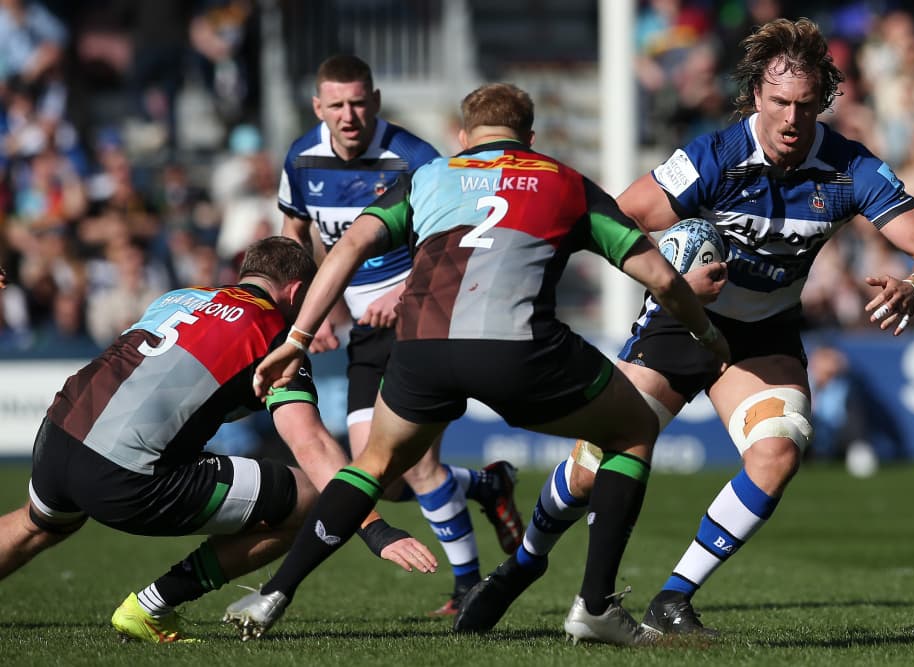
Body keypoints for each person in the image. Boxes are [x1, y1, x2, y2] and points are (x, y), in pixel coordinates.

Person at [454, 17, 914, 639]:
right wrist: (670, 280)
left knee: (778, 451)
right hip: (682, 323)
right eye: (779, 103)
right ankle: (523, 563)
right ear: (755, 98)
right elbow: (614, 219)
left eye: (804, 105)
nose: (791, 119)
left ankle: (673, 600)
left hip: (763, 335)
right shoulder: (712, 158)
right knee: (592, 469)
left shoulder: (848, 167)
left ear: (823, 101)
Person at [222, 82, 730, 646]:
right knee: (633, 430)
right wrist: (706, 333)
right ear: (530, 138)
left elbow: (345, 248)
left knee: (372, 466)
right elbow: (659, 275)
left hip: (422, 350)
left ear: (464, 138)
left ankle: (276, 592)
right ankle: (595, 607)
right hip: (521, 350)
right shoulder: (563, 180)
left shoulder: (431, 175)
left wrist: (297, 337)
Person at [0, 236, 437, 644]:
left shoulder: (179, 296)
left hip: (58, 434)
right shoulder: (274, 336)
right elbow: (311, 445)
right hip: (124, 474)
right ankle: (151, 607)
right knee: (304, 498)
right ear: (298, 291)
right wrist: (374, 529)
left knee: (35, 525)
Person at [278, 54, 524, 616]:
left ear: (376, 100)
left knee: (414, 464)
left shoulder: (414, 158)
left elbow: (455, 236)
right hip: (366, 328)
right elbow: (295, 233)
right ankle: (486, 487)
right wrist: (306, 317)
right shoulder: (300, 157)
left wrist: (404, 290)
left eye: (359, 102)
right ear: (318, 107)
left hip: (423, 316)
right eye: (336, 104)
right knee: (379, 482)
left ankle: (468, 587)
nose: (349, 114)